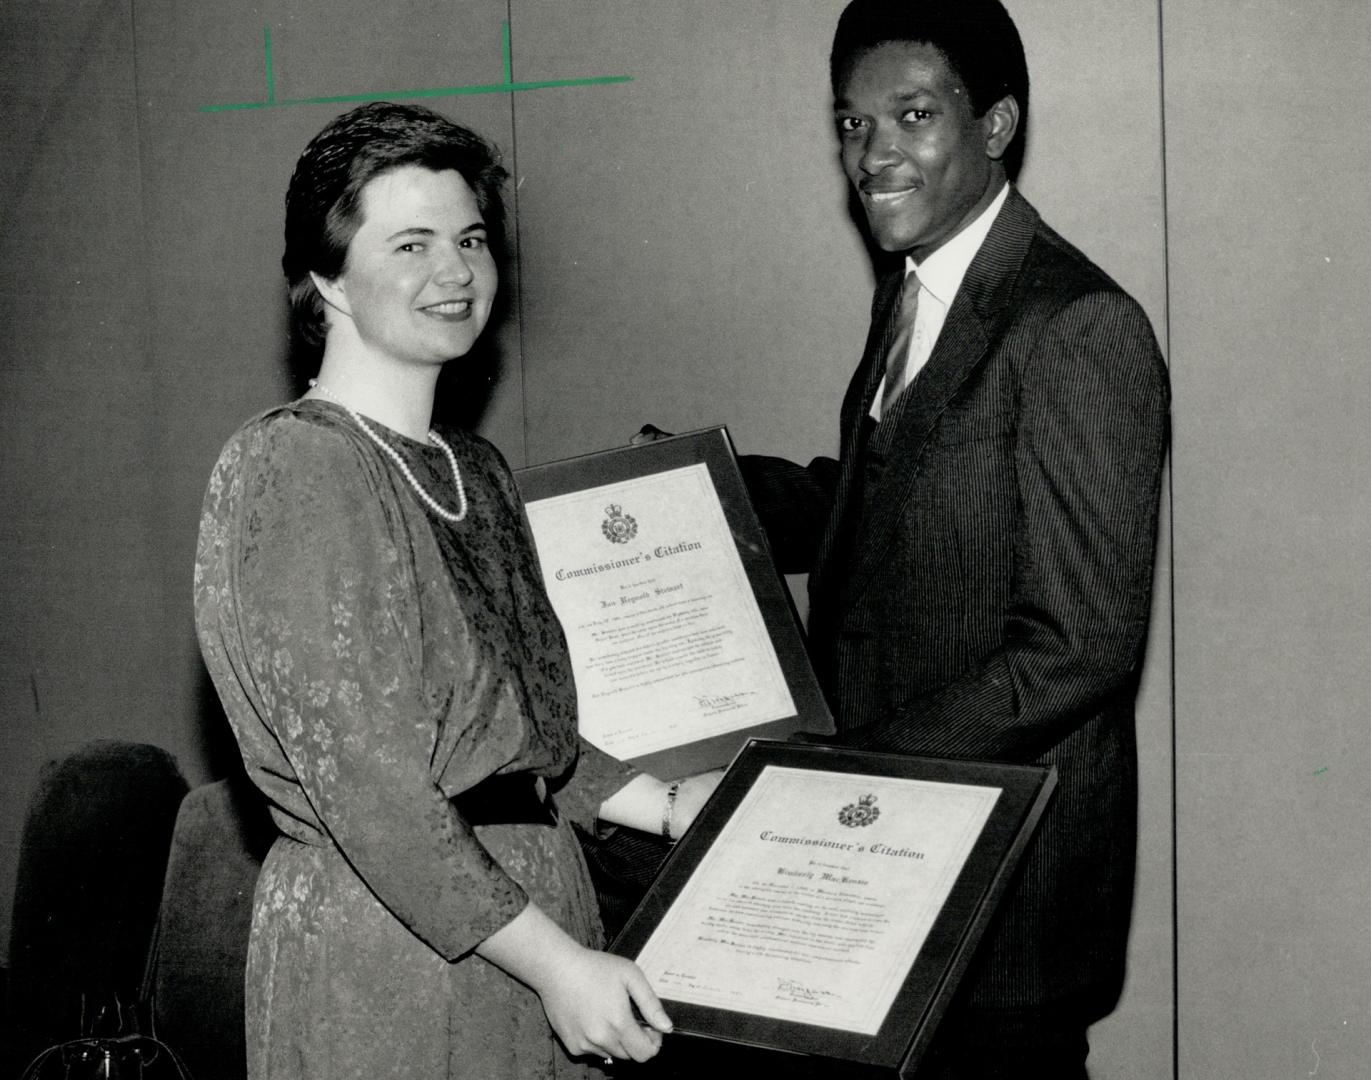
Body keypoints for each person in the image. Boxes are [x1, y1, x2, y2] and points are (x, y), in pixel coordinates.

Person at [194, 101, 717, 1080]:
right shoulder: (296, 467)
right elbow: (376, 795)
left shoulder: (475, 469)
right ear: (326, 281)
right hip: (392, 949)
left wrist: (675, 803)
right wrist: (560, 966)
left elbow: (515, 736)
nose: (457, 272)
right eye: (412, 244)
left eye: (471, 239)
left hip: (527, 915)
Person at [731, 2, 1171, 1075]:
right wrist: (703, 490)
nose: (874, 154)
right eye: (851, 124)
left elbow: (1080, 646)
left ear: (997, 123)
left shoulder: (1076, 326)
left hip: (1006, 892)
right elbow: (886, 497)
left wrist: (844, 772)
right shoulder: (917, 286)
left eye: (912, 115)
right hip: (901, 865)